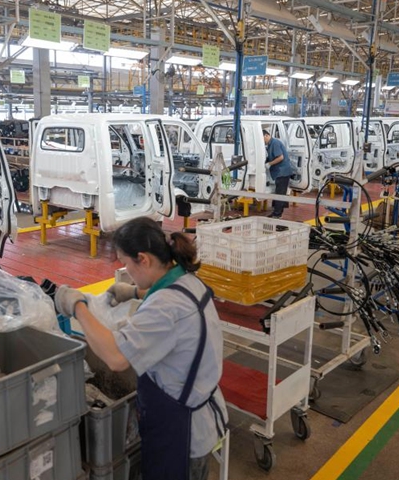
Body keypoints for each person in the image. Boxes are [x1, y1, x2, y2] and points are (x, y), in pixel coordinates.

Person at [54, 217, 228, 480]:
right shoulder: (186, 279)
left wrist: (77, 305)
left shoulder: (165, 308)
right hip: (198, 411)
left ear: (143, 259)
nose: (126, 269)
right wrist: (135, 293)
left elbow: (116, 357)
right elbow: (175, 303)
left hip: (181, 434)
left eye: (126, 264)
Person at [263, 129, 295, 219]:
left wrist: (269, 164)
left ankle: (277, 214)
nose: (263, 141)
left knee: (280, 193)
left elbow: (280, 157)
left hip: (282, 172)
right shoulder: (269, 145)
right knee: (278, 192)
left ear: (266, 135)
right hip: (279, 172)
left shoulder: (275, 143)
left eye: (262, 138)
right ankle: (276, 212)